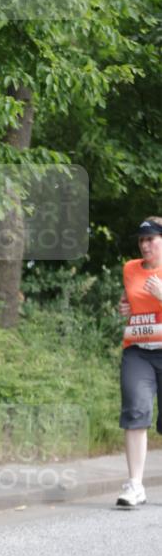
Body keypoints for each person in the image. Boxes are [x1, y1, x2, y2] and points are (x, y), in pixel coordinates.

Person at [116, 216, 162, 507]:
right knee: (135, 411)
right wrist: (123, 306)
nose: (145, 245)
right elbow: (129, 300)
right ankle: (135, 486)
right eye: (142, 240)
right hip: (137, 350)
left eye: (151, 239)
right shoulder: (130, 269)